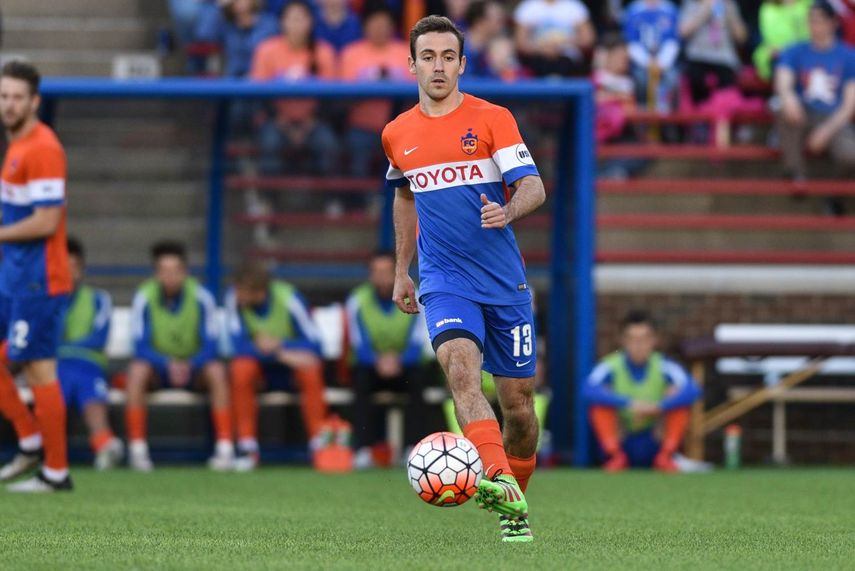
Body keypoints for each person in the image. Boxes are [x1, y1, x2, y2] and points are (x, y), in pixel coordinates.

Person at [383, 16, 546, 542]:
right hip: (444, 279)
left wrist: (508, 211)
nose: (437, 66)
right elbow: (405, 196)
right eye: (427, 56)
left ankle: (514, 482)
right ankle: (500, 485)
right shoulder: (397, 133)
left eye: (447, 56)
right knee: (460, 372)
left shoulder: (493, 118)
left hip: (503, 283)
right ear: (412, 65)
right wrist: (403, 269)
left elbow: (533, 187)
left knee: (519, 407)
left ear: (461, 64)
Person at [0, 61, 72, 492]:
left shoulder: (43, 148)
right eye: (3, 96)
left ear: (35, 101)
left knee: (41, 371)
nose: (8, 105)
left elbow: (47, 222)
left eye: (17, 98)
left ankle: (56, 473)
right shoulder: (16, 145)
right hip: (14, 275)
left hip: (40, 279)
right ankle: (29, 440)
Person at [125, 241, 234, 472]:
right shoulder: (144, 296)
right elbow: (139, 344)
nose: (170, 277)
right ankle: (137, 450)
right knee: (136, 371)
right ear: (156, 273)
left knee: (217, 370)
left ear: (185, 272)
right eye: (164, 271)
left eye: (176, 271)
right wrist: (166, 363)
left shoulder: (202, 296)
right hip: (158, 369)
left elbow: (212, 343)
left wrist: (190, 363)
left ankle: (225, 449)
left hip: (195, 368)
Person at [225, 260, 328, 471]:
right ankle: (247, 447)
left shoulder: (289, 299)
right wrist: (278, 353)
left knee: (311, 369)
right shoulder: (233, 299)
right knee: (240, 369)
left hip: (290, 367)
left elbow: (316, 343)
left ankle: (319, 445)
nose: (238, 296)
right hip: (263, 367)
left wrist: (280, 346)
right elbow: (236, 345)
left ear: (259, 292)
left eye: (242, 292)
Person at [585, 310, 701, 472]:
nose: (638, 345)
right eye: (632, 339)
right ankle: (615, 456)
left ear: (654, 340)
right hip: (623, 436)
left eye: (644, 339)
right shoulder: (610, 365)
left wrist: (659, 406)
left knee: (677, 394)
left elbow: (693, 389)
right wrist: (629, 404)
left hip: (654, 437)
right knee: (599, 403)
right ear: (623, 340)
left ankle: (666, 456)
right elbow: (588, 389)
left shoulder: (664, 365)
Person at [345, 251, 430, 469]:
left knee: (418, 380)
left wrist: (398, 360)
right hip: (372, 366)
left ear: (396, 273)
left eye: (386, 272)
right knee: (360, 380)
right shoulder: (357, 301)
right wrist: (378, 360)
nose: (381, 277)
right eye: (376, 272)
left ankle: (414, 448)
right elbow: (358, 343)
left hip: (405, 366)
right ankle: (363, 449)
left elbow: (419, 341)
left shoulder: (417, 297)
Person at [775, 0, 855, 203]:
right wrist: (788, 97)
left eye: (818, 21)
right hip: (803, 114)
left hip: (833, 118)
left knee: (850, 156)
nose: (814, 26)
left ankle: (835, 196)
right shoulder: (794, 51)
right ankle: (796, 174)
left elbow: (849, 104)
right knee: (781, 107)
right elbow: (782, 79)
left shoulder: (848, 56)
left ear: (832, 23)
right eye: (810, 21)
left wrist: (826, 131)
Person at [251, 0, 339, 176]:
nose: (296, 24)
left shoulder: (324, 51)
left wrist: (310, 123)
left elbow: (331, 98)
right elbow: (258, 95)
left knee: (328, 144)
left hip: (315, 122)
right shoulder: (267, 50)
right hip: (276, 122)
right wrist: (281, 122)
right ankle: (268, 199)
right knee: (269, 142)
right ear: (282, 22)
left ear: (311, 22)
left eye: (301, 19)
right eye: (292, 19)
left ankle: (330, 200)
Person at [58, 237, 124, 470]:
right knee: (60, 381)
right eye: (62, 266)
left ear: (82, 269)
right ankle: (102, 442)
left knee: (85, 383)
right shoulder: (44, 300)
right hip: (55, 366)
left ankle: (103, 447)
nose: (67, 272)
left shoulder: (98, 298)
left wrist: (63, 345)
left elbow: (99, 337)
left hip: (89, 364)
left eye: (73, 267)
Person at [340, 7, 413, 179]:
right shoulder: (351, 53)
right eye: (374, 23)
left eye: (384, 23)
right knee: (356, 153)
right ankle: (361, 203)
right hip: (361, 127)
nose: (379, 28)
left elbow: (416, 94)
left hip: (401, 128)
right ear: (365, 26)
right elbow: (342, 98)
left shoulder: (406, 52)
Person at [679, 0, 749, 105]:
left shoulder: (729, 4)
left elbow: (742, 38)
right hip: (698, 56)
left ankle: (721, 115)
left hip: (724, 59)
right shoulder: (692, 3)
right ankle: (700, 116)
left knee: (727, 88)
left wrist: (729, 12)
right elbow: (683, 32)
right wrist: (705, 9)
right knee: (694, 79)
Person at [194, 0, 279, 78]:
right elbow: (204, 34)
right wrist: (219, 6)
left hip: (261, 81)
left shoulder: (269, 24)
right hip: (233, 81)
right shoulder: (226, 23)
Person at [513, 0, 596, 77]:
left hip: (568, 60)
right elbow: (520, 43)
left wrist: (563, 45)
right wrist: (541, 48)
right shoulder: (528, 7)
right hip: (537, 59)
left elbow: (588, 39)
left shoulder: (574, 6)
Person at [623, 0, 680, 111]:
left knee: (673, 79)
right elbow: (631, 43)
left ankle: (669, 120)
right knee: (640, 79)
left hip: (665, 62)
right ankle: (642, 116)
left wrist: (662, 62)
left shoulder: (670, 10)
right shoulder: (633, 10)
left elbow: (673, 41)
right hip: (641, 63)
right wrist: (647, 62)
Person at [753, 0, 812, 81]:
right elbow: (772, 41)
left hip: (812, 52)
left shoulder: (808, 3)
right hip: (784, 57)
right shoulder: (768, 9)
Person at [462, 1, 508, 79]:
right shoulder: (460, 49)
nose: (501, 23)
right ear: (479, 22)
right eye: (497, 19)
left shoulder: (488, 49)